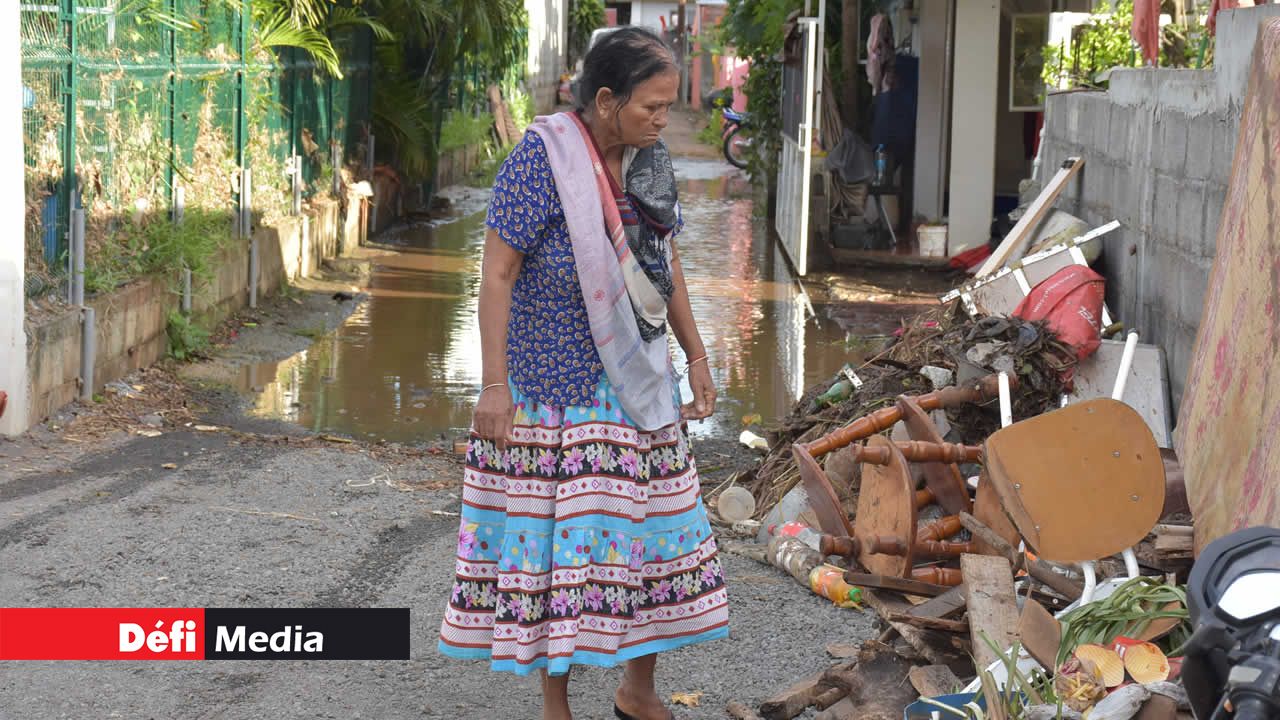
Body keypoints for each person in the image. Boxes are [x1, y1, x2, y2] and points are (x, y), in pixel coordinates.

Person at [437, 26, 730, 720]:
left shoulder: (649, 163)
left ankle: (637, 689)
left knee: (653, 539)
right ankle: (556, 704)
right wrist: (494, 386)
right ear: (605, 101)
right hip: (556, 387)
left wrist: (697, 355)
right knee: (561, 554)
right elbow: (497, 274)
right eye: (651, 107)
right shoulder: (541, 161)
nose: (662, 121)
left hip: (638, 380)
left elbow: (666, 262)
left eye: (666, 107)